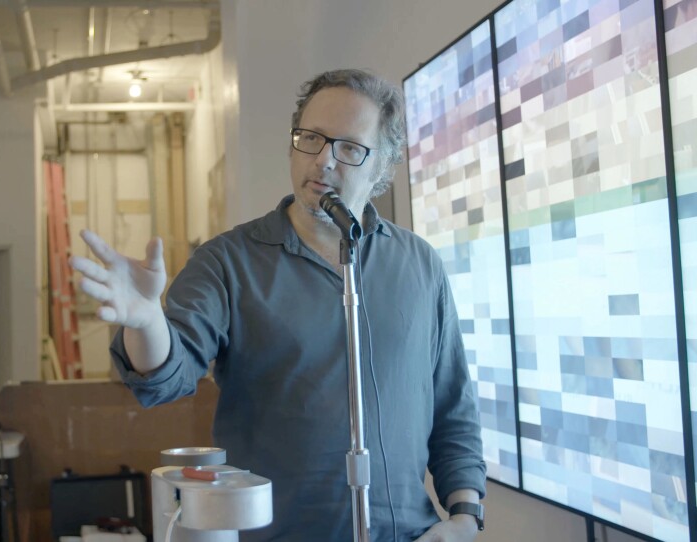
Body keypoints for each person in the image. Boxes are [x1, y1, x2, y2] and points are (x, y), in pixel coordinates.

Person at [70, 68, 486, 541]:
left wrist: (464, 521)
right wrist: (146, 321)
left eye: (349, 148)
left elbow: (453, 409)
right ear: (293, 145)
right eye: (311, 138)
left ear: (383, 167)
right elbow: (168, 377)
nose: (324, 161)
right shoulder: (228, 262)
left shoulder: (419, 265)